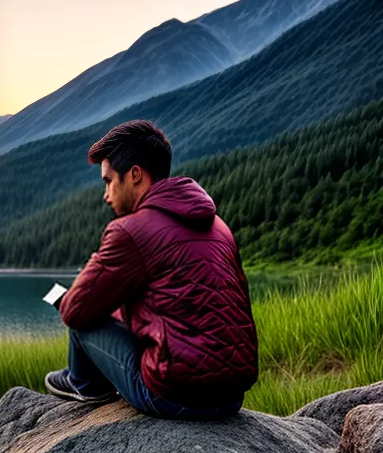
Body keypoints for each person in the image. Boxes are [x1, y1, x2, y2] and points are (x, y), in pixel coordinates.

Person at [44, 120, 258, 419]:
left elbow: (75, 312)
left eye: (108, 181)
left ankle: (84, 383)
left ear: (134, 175)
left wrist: (60, 297)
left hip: (173, 395)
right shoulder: (219, 227)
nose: (106, 195)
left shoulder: (130, 231)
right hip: (232, 396)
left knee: (80, 319)